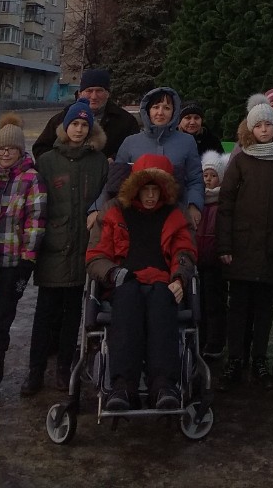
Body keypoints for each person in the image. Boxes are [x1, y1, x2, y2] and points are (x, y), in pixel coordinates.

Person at [86, 153, 196, 411]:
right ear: (134, 187)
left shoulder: (176, 213)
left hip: (163, 281)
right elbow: (96, 255)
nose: (150, 196)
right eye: (145, 189)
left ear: (165, 189)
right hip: (123, 280)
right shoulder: (114, 210)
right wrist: (113, 273)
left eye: (155, 190)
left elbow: (185, 251)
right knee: (127, 301)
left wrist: (180, 278)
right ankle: (123, 386)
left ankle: (163, 385)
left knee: (161, 303)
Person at [22, 102, 108, 397]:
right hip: (53, 248)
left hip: (83, 248)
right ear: (65, 127)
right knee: (44, 313)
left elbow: (104, 195)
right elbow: (36, 203)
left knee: (74, 314)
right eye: (75, 124)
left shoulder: (98, 162)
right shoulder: (47, 161)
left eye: (85, 125)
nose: (79, 130)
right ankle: (34, 372)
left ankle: (63, 370)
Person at [216, 98, 273, 391]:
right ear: (250, 129)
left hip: (270, 245)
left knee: (265, 307)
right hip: (241, 244)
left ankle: (260, 359)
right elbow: (225, 203)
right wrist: (224, 245)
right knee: (238, 306)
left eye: (269, 124)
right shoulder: (241, 159)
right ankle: (236, 358)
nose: (264, 129)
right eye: (259, 125)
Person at [0, 113, 46, 402]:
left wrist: (27, 261)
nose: (5, 153)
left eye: (11, 149)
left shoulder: (31, 179)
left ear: (20, 150)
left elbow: (36, 221)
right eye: (1, 148)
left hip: (9, 264)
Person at [114, 86, 205, 230]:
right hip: (136, 217)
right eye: (156, 107)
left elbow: (195, 179)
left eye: (167, 108)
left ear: (174, 112)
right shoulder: (130, 142)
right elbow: (116, 181)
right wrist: (98, 209)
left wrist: (194, 204)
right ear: (148, 110)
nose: (160, 112)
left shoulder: (187, 142)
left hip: (176, 215)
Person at [32, 68, 139, 161]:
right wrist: (61, 164)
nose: (94, 96)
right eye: (89, 90)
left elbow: (134, 150)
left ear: (108, 94)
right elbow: (40, 149)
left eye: (99, 91)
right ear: (80, 94)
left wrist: (114, 160)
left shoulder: (126, 121)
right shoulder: (63, 118)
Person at [197, 150, 230, 359]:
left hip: (216, 261)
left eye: (213, 175)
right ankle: (200, 338)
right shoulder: (197, 201)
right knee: (198, 301)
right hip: (197, 259)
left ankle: (216, 341)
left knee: (215, 303)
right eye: (205, 175)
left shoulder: (222, 203)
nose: (209, 180)